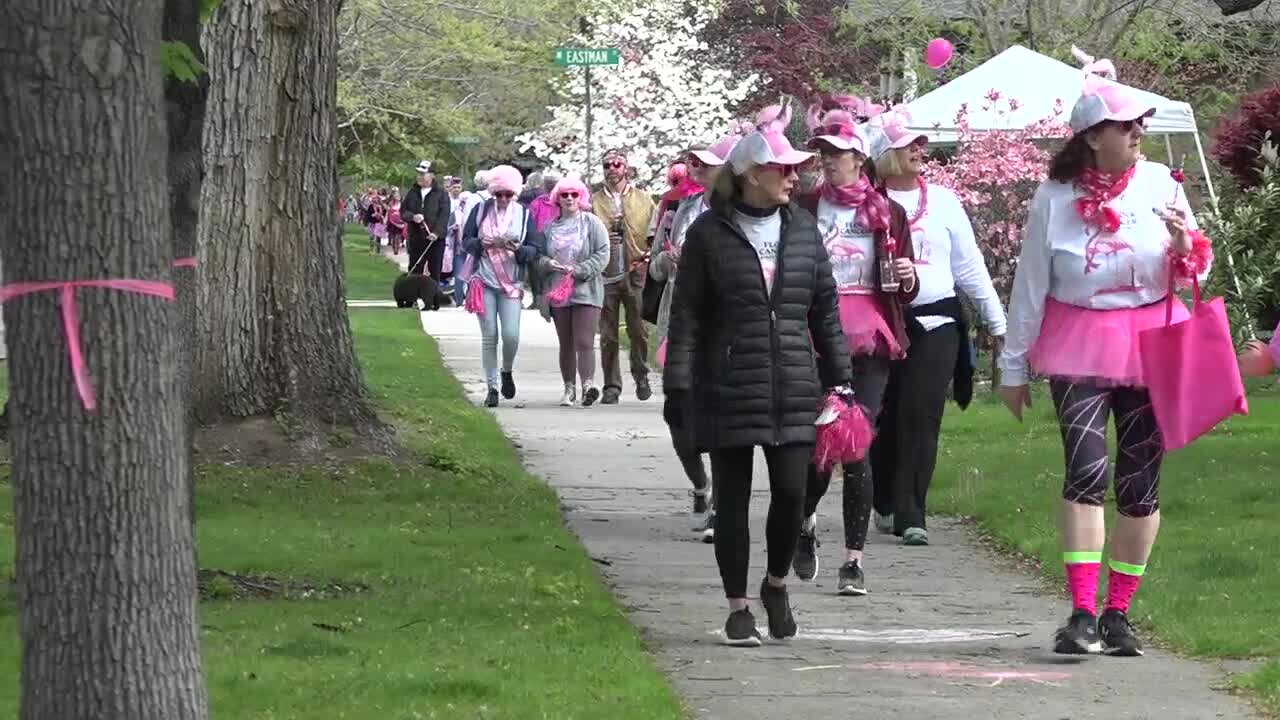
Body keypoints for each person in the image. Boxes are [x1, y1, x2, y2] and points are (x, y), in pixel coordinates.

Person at [997, 73, 1210, 657]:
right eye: (1125, 124)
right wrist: (1013, 368)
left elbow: (1199, 270)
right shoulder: (1054, 196)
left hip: (1151, 340)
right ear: (1092, 136)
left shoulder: (1165, 183)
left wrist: (1187, 248)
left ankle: (1119, 614)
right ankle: (1083, 613)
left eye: (1141, 122)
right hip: (1079, 340)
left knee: (1140, 485)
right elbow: (1031, 284)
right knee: (1086, 471)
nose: (1138, 131)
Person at [662, 125, 850, 646]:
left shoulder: (804, 230)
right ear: (748, 175)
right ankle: (738, 607)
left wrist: (842, 380)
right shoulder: (707, 235)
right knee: (734, 500)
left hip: (793, 384)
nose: (794, 176)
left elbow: (825, 311)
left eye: (796, 167)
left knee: (793, 494)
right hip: (727, 385)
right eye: (782, 167)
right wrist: (678, 387)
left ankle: (775, 584)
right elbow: (687, 318)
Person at [792, 110, 919, 594]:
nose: (826, 161)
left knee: (857, 443)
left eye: (836, 154)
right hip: (815, 333)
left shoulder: (889, 213)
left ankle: (854, 561)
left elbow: (901, 289)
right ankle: (805, 521)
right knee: (819, 446)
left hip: (871, 335)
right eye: (821, 152)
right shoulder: (803, 206)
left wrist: (909, 278)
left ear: (860, 157)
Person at [867, 111, 1007, 546]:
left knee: (922, 413)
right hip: (882, 323)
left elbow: (969, 267)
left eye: (921, 142)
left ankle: (914, 513)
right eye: (908, 143)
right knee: (884, 415)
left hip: (938, 320)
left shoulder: (945, 201)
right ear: (885, 154)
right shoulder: (865, 202)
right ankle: (885, 500)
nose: (918, 149)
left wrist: (998, 324)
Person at [651, 131, 745, 544]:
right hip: (680, 322)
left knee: (724, 420)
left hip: (725, 329)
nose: (697, 167)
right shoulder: (679, 208)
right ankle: (700, 485)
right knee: (678, 415)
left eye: (707, 162)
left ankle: (721, 509)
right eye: (695, 161)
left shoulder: (744, 214)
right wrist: (666, 261)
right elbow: (653, 268)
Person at [461, 165, 541, 407]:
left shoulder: (524, 215)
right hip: (484, 279)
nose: (503, 199)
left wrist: (518, 249)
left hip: (511, 282)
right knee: (489, 336)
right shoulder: (480, 210)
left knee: (511, 335)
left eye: (508, 194)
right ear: (492, 192)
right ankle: (492, 386)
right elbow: (466, 242)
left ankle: (506, 370)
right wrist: (483, 243)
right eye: (499, 194)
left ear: (515, 193)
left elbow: (535, 248)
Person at [537, 176, 611, 407]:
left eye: (574, 194)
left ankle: (587, 385)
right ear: (557, 198)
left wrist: (579, 270)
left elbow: (602, 253)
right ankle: (569, 388)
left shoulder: (592, 223)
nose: (569, 198)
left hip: (586, 290)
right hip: (559, 291)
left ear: (581, 197)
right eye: (564, 195)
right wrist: (548, 264)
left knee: (584, 340)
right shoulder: (549, 227)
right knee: (566, 342)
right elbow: (538, 258)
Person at [591, 149, 657, 404]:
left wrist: (647, 258)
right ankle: (612, 386)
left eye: (617, 164)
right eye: (607, 164)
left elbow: (655, 233)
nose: (612, 169)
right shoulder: (594, 201)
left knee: (638, 330)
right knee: (607, 334)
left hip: (635, 272)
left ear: (626, 168)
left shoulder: (643, 199)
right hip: (606, 273)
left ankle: (641, 375)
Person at [400, 161, 452, 280]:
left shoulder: (441, 193)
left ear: (432, 175)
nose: (419, 177)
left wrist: (437, 233)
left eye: (423, 174)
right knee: (414, 271)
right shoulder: (412, 192)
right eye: (418, 174)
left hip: (434, 241)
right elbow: (403, 212)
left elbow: (444, 215)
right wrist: (413, 217)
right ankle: (412, 296)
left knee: (435, 272)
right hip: (416, 238)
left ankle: (432, 297)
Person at [386, 187, 406, 255]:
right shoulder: (391, 204)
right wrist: (386, 219)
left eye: (398, 196)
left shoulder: (402, 204)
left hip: (400, 222)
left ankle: (397, 247)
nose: (397, 197)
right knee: (393, 236)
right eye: (396, 196)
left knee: (398, 236)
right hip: (392, 222)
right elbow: (388, 212)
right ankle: (393, 245)